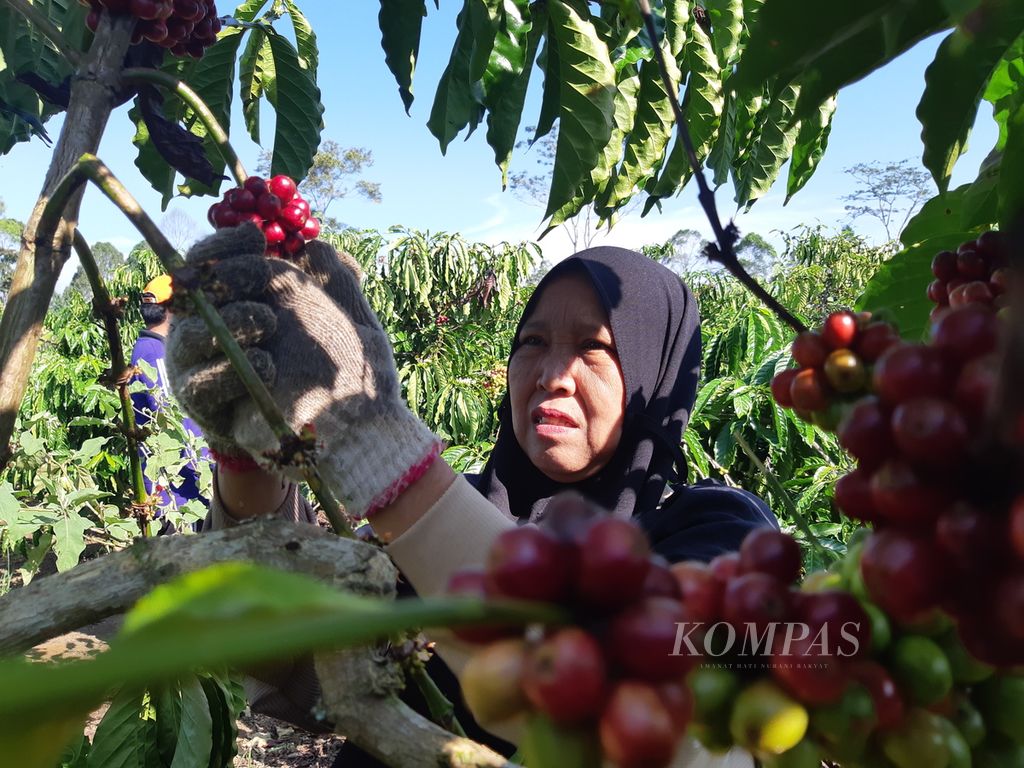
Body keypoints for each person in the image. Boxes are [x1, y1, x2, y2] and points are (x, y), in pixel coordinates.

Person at [165, 224, 777, 766]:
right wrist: (244, 457)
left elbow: (648, 721)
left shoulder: (721, 538)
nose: (552, 374)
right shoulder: (449, 513)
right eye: (532, 342)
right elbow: (283, 660)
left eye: (595, 347)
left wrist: (379, 450)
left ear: (653, 379)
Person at [130, 274, 210, 525]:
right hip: (179, 492)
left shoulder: (151, 349)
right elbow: (174, 419)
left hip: (184, 486)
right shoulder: (155, 354)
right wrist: (207, 472)